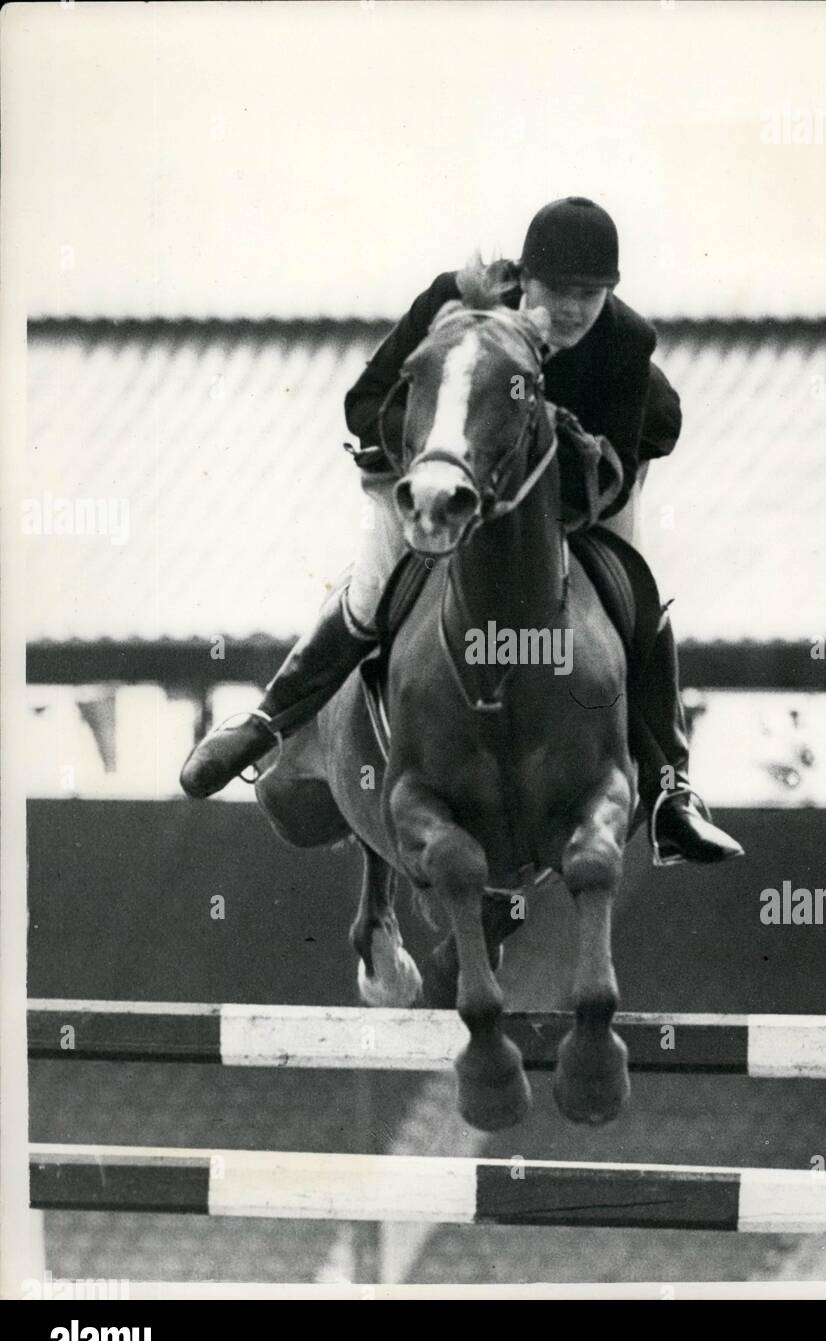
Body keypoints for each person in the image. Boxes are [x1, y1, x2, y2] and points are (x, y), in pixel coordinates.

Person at [180, 197, 743, 866]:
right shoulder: (456, 303)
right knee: (370, 588)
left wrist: (544, 478)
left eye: (590, 295)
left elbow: (615, 471)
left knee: (639, 599)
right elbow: (365, 403)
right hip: (435, 477)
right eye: (559, 290)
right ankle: (267, 723)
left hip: (575, 493)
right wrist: (438, 459)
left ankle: (671, 793)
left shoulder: (625, 342)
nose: (572, 310)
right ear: (523, 278)